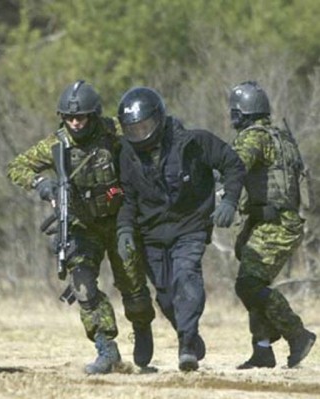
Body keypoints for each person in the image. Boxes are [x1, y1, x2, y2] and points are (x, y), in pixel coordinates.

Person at [7, 80, 156, 373]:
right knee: (83, 285)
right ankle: (106, 347)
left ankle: (141, 326)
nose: (75, 123)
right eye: (69, 117)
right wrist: (42, 184)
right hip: (81, 225)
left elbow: (145, 144)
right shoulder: (56, 144)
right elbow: (16, 166)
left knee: (132, 284)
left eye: (81, 117)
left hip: (117, 220)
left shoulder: (113, 133)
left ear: (94, 115)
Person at [116, 86, 246, 372]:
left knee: (186, 276)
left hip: (190, 225)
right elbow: (126, 195)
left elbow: (233, 164)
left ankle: (186, 344)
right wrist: (124, 229)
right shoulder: (126, 154)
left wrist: (229, 201)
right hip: (150, 233)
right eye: (132, 130)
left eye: (145, 127)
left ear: (159, 120)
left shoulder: (194, 142)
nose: (140, 135)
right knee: (165, 295)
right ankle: (189, 334)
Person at [228, 80, 316, 369]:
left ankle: (296, 333)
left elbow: (235, 167)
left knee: (249, 284)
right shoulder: (281, 138)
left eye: (235, 112)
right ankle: (263, 349)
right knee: (255, 283)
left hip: (274, 223)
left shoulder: (253, 137)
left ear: (243, 112)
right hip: (278, 221)